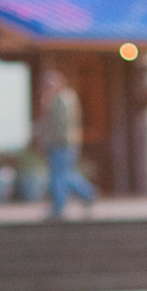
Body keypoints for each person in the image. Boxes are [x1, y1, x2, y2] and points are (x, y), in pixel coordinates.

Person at [39, 69, 92, 220]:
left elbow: (59, 124)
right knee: (64, 174)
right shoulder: (58, 98)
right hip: (59, 143)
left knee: (60, 175)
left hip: (62, 143)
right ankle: (87, 194)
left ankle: (60, 206)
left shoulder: (64, 99)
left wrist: (48, 140)